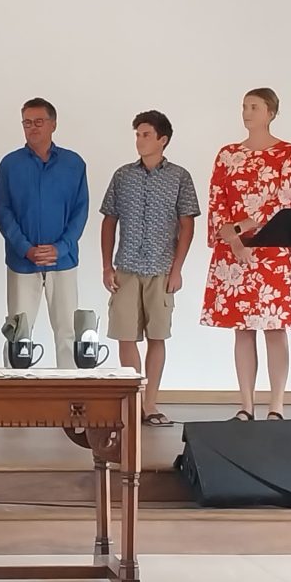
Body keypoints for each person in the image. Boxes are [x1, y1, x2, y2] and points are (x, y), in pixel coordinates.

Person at [201, 88, 291, 420]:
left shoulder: (289, 153)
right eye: (244, 106)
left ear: (271, 112)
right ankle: (246, 405)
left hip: (274, 252)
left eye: (254, 107)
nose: (247, 112)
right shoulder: (227, 154)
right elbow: (217, 201)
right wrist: (233, 240)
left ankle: (276, 406)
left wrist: (244, 226)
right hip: (234, 254)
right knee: (242, 330)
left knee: (275, 329)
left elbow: (288, 201)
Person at [101, 110, 200, 426]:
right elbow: (109, 221)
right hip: (127, 266)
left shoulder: (180, 177)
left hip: (161, 268)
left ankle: (151, 403)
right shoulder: (122, 176)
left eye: (145, 135)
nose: (139, 140)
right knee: (125, 336)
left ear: (162, 139)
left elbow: (187, 225)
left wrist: (177, 269)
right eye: (137, 135)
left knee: (158, 336)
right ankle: (133, 401)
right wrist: (106, 266)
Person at [0, 97, 88, 368]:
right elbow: (2, 211)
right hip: (22, 261)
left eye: (38, 122)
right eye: (27, 123)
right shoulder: (10, 164)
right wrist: (26, 249)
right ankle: (14, 391)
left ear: (53, 124)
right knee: (18, 331)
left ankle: (69, 389)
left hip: (63, 261)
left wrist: (61, 247)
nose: (32, 127)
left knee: (68, 331)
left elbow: (80, 211)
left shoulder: (74, 164)